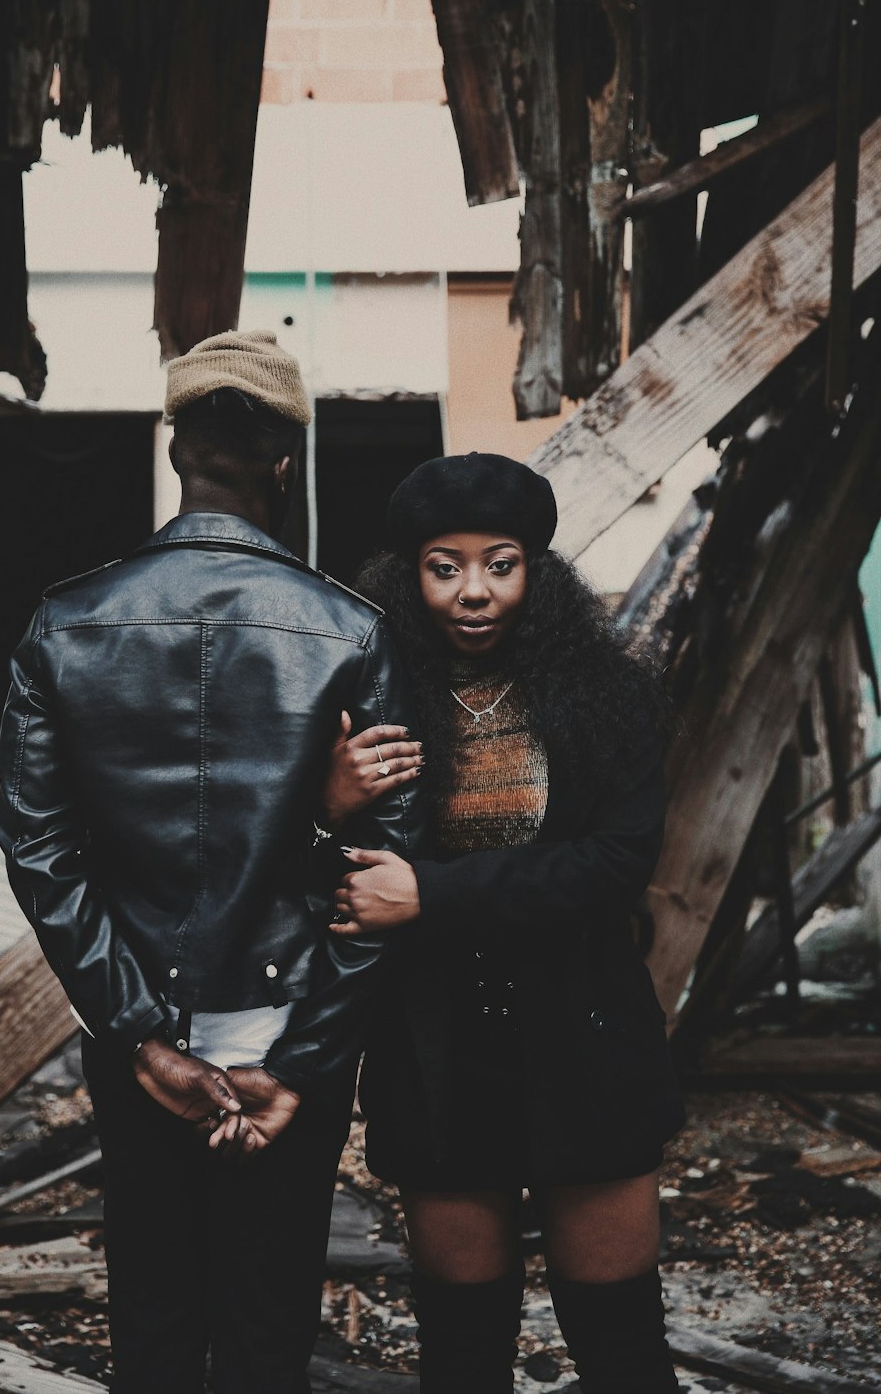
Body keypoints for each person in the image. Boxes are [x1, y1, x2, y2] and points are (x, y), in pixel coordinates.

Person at [0, 330, 424, 1394]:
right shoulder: (354, 634)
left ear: (174, 445)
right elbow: (385, 874)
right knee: (270, 1330)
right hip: (288, 1030)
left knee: (149, 1321)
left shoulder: (66, 624)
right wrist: (303, 1065)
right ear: (286, 460)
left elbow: (40, 852)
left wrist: (140, 1035)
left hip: (137, 1029)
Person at [321, 452, 685, 1393]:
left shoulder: (607, 697)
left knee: (621, 1351)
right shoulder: (369, 703)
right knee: (462, 1354)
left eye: (501, 563)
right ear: (410, 575)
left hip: (587, 1039)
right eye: (445, 566)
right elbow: (316, 882)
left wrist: (431, 898)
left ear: (538, 572)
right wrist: (326, 805)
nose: (473, 591)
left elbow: (615, 863)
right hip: (437, 1053)